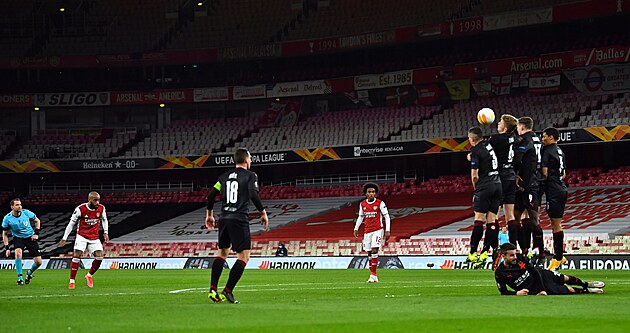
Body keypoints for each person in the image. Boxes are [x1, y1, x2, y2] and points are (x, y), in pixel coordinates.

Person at [206, 148, 269, 304]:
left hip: (224, 218)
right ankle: (228, 290)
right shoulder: (250, 175)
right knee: (244, 257)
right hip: (239, 219)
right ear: (246, 160)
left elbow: (211, 195)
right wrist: (263, 212)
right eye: (251, 159)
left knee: (222, 253)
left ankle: (213, 289)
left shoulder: (224, 177)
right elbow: (253, 194)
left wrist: (209, 215)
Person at [495, 243, 605, 295]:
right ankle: (587, 291)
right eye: (511, 255)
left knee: (564, 278)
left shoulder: (520, 259)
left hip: (541, 275)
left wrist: (542, 289)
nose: (515, 257)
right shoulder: (500, 273)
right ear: (503, 256)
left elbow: (535, 271)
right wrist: (516, 293)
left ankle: (586, 284)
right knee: (567, 290)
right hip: (532, 288)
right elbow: (503, 291)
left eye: (515, 254)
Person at [465, 127, 502, 269]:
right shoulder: (488, 144)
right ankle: (488, 251)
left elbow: (474, 175)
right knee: (492, 221)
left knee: (479, 220)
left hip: (484, 186)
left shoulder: (475, 150)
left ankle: (473, 253)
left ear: (472, 139)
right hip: (498, 185)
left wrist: (477, 188)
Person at [59, 191, 109, 289]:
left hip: (94, 237)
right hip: (82, 236)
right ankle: (72, 281)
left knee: (99, 257)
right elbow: (71, 224)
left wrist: (105, 232)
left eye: (98, 200)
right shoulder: (80, 209)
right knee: (77, 255)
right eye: (95, 200)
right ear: (89, 200)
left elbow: (104, 219)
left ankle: (89, 275)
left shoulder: (101, 208)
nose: (97, 202)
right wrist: (65, 237)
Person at [512, 116, 545, 265]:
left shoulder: (526, 140)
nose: (518, 130)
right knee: (517, 216)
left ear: (522, 127)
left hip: (528, 184)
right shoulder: (538, 139)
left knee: (532, 218)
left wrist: (514, 172)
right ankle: (524, 250)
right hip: (532, 181)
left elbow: (519, 158)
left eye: (518, 127)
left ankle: (540, 250)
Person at [488, 114, 519, 249]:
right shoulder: (514, 138)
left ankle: (495, 248)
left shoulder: (495, 139)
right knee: (510, 215)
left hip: (499, 178)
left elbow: (486, 152)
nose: (498, 124)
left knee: (493, 214)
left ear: (505, 128)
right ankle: (514, 246)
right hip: (511, 177)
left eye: (500, 122)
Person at [541, 127, 569, 270]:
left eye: (544, 136)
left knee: (556, 224)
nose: (542, 139)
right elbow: (563, 173)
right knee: (555, 223)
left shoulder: (547, 151)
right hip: (561, 187)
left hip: (554, 190)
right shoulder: (560, 151)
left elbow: (544, 173)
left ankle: (558, 257)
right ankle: (558, 256)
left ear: (551, 137)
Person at [353, 182, 390, 283]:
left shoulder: (380, 203)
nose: (371, 194)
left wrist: (387, 230)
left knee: (374, 250)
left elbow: (387, 216)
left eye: (373, 192)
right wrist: (356, 228)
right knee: (369, 252)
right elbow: (361, 217)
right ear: (365, 193)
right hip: (367, 231)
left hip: (378, 230)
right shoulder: (362, 204)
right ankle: (373, 275)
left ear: (375, 193)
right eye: (369, 192)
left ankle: (373, 274)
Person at [2, 198, 43, 285]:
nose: (19, 206)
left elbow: (37, 221)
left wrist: (36, 233)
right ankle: (20, 278)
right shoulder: (7, 218)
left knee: (39, 262)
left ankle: (29, 274)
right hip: (18, 238)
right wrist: (7, 248)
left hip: (30, 237)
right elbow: (5, 234)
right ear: (12, 207)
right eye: (17, 205)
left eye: (20, 204)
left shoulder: (26, 213)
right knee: (18, 253)